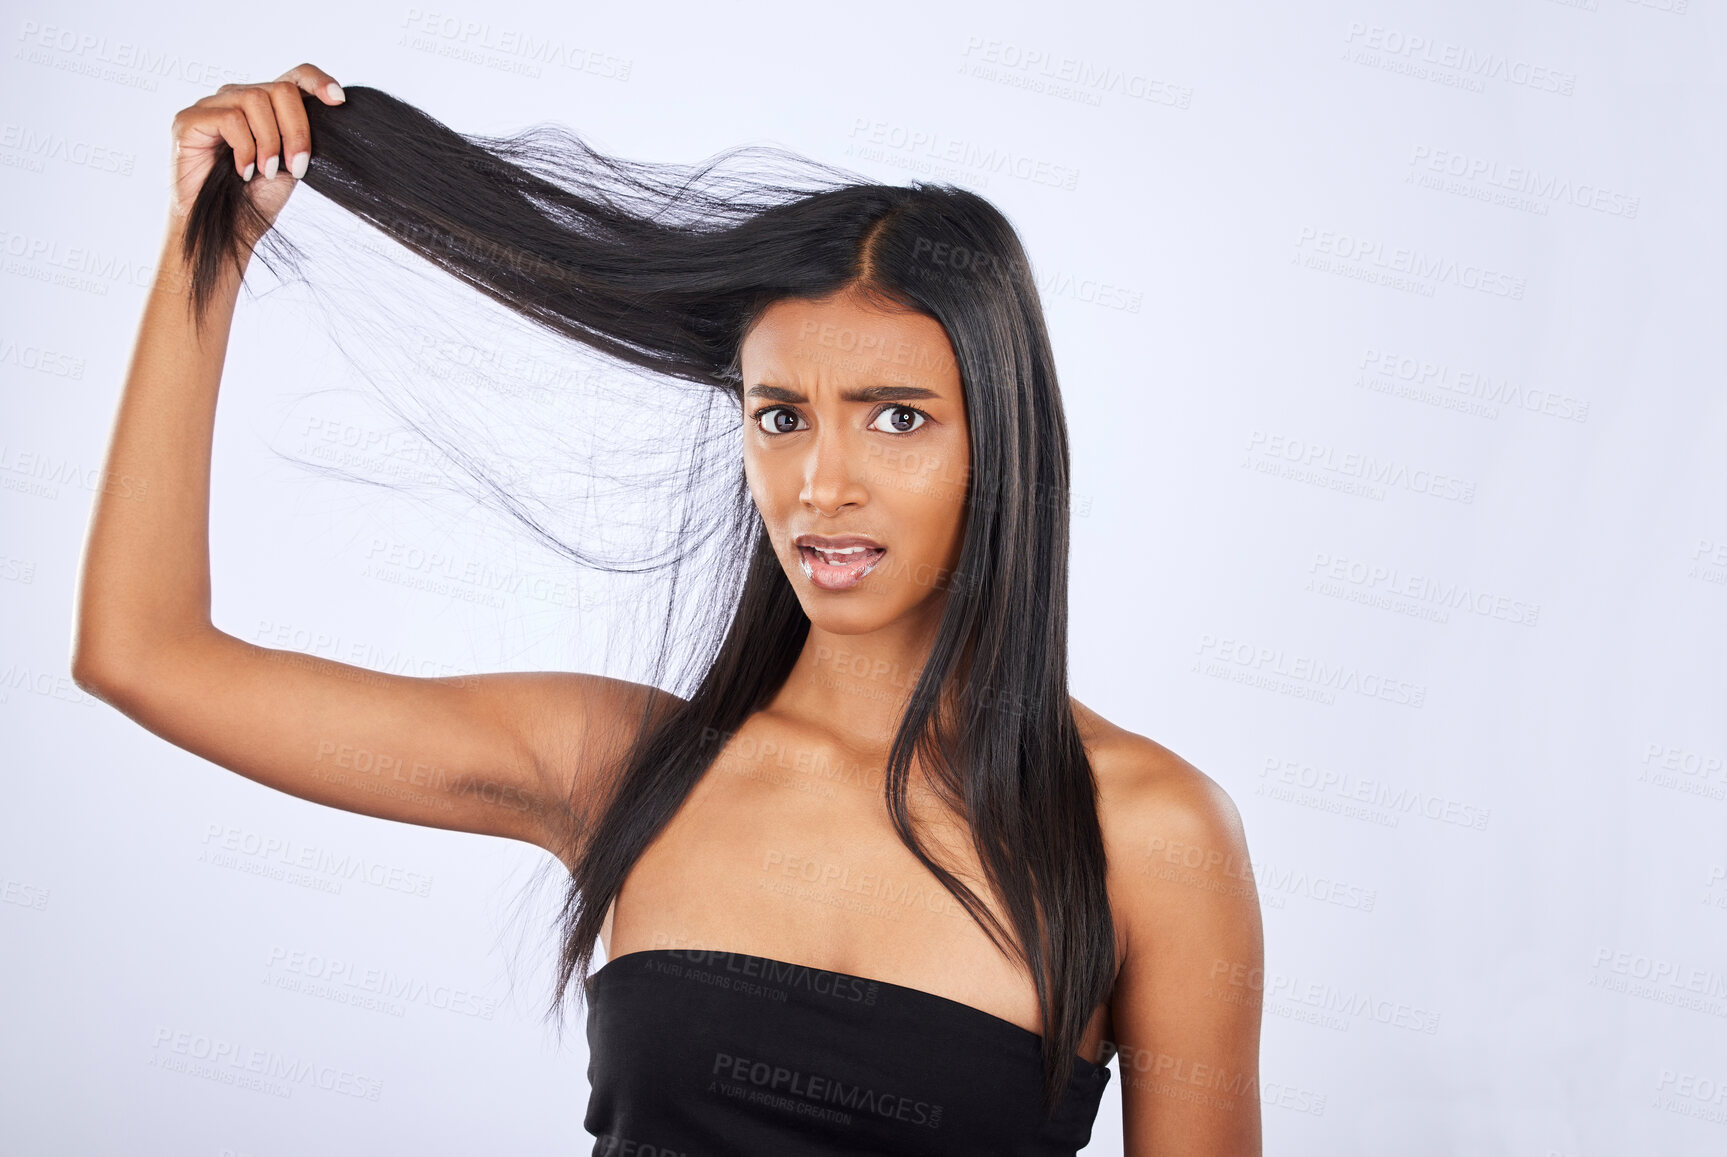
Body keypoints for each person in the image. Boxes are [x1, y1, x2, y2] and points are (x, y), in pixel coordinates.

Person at [72, 62, 1265, 1155]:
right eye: (779, 414)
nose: (820, 483)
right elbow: (146, 654)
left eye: (896, 416)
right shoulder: (625, 767)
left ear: (996, 443)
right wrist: (206, 246)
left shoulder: (1148, 834)